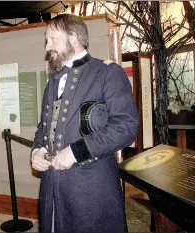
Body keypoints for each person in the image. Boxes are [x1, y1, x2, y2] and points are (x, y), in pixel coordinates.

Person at [31, 14, 139, 232]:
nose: (47, 46)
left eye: (52, 38)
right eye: (46, 40)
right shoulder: (53, 81)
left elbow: (126, 126)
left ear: (73, 38)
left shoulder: (107, 72)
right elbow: (44, 128)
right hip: (52, 189)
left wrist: (76, 152)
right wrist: (37, 150)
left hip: (91, 192)